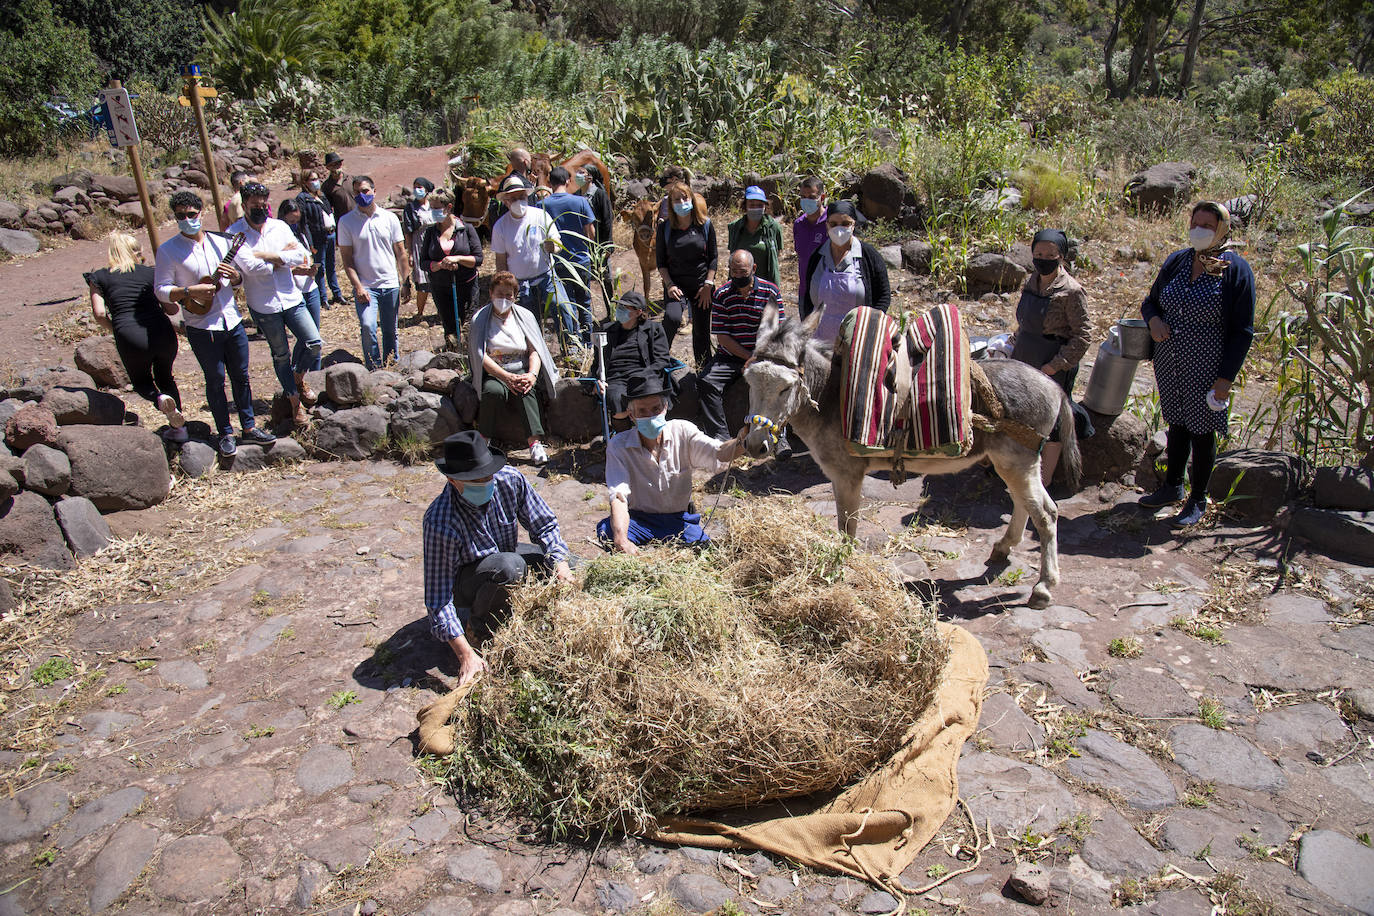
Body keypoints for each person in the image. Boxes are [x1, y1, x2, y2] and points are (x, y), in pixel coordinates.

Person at [422, 430, 574, 685]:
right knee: (509, 566)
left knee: (576, 564)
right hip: (469, 579)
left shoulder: (510, 480)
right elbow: (438, 600)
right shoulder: (440, 521)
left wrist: (560, 564)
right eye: (475, 481)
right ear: (452, 480)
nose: (485, 483)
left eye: (487, 476)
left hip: (505, 555)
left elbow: (544, 525)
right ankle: (477, 629)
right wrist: (464, 655)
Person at [1139, 201, 1255, 527]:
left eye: (1208, 225)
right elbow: (1150, 302)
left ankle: (1197, 498)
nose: (1199, 230)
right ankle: (1172, 486)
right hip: (1169, 359)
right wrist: (1154, 321)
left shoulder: (1234, 269)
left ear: (1222, 229)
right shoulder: (1178, 261)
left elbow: (1242, 330)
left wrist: (1225, 379)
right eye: (1196, 222)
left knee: (1202, 432)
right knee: (1177, 424)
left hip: (1207, 366)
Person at [154, 190, 275, 457]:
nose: (187, 219)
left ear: (201, 213)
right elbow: (161, 289)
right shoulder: (169, 250)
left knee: (241, 376)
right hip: (201, 324)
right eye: (181, 216)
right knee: (215, 379)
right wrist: (189, 291)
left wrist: (235, 278)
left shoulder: (221, 242)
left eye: (191, 214)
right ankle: (225, 432)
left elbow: (241, 278)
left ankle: (249, 426)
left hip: (231, 319)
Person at [598, 370, 747, 552]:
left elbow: (718, 452)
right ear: (631, 415)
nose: (651, 416)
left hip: (678, 520)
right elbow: (618, 496)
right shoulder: (618, 446)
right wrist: (621, 540)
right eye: (642, 411)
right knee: (608, 532)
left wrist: (743, 441)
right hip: (640, 520)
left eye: (655, 409)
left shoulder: (683, 431)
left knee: (704, 552)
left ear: (666, 407)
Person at [229, 183, 322, 427]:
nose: (261, 209)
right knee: (281, 354)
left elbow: (302, 256)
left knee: (313, 342)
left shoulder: (279, 226)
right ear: (245, 204)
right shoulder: (235, 233)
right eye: (255, 206)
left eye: (264, 205)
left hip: (291, 297)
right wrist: (281, 257)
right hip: (264, 304)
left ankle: (297, 378)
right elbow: (250, 268)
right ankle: (295, 404)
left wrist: (265, 255)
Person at [1009, 228, 1091, 487]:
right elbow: (1025, 322)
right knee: (1022, 415)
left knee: (1052, 421)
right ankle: (1019, 471)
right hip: (1025, 358)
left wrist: (1055, 366)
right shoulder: (1032, 281)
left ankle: (1042, 482)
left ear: (1061, 257)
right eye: (1038, 253)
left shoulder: (1072, 291)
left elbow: (1083, 336)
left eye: (1050, 254)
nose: (1043, 258)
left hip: (1052, 362)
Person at [86, 231, 187, 442]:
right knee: (165, 376)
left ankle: (158, 399)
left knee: (141, 381)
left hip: (129, 333)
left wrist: (115, 329)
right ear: (135, 252)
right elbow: (170, 308)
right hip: (161, 332)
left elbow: (100, 313)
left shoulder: (99, 277)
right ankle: (179, 429)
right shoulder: (151, 273)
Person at [697, 250, 790, 455]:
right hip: (730, 356)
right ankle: (720, 440)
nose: (739, 276)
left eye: (743, 271)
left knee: (779, 385)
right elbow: (723, 337)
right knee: (706, 382)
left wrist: (760, 358)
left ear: (753, 269)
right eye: (734, 271)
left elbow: (778, 332)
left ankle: (780, 438)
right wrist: (748, 358)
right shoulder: (721, 294)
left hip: (765, 355)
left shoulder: (770, 292)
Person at [467, 271, 558, 466]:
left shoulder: (525, 316)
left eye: (509, 295)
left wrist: (532, 375)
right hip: (496, 371)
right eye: (499, 294)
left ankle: (534, 444)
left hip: (521, 367)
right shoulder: (480, 319)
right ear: (491, 293)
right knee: (492, 391)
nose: (504, 298)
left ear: (515, 296)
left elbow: (535, 350)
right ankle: (484, 440)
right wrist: (506, 377)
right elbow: (480, 355)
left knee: (526, 389)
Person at [489, 173, 578, 356]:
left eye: (521, 197)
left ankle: (571, 348)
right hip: (520, 282)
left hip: (546, 276)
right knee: (529, 319)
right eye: (513, 198)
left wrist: (553, 246)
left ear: (527, 197)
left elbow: (557, 243)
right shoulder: (501, 226)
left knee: (561, 307)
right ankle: (536, 354)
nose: (518, 201)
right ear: (506, 201)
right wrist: (505, 285)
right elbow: (501, 259)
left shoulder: (540, 215)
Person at [337, 175, 407, 370]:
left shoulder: (389, 218)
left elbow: (401, 252)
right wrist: (357, 286)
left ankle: (392, 364)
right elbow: (347, 259)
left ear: (374, 192)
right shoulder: (346, 222)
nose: (362, 195)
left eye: (365, 191)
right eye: (357, 192)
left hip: (389, 283)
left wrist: (405, 280)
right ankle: (373, 367)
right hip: (366, 286)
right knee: (368, 326)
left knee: (390, 330)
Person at [801, 200, 891, 343]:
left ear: (853, 224)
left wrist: (870, 325)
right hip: (819, 341)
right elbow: (807, 298)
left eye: (845, 224)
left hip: (857, 339)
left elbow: (884, 296)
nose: (839, 229)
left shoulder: (868, 255)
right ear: (826, 225)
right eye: (833, 224)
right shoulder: (817, 257)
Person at [655, 181, 717, 364]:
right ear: (671, 204)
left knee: (701, 333)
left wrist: (708, 285)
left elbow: (713, 258)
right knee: (672, 318)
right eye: (677, 199)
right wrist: (669, 285)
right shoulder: (665, 228)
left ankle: (702, 371)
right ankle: (659, 361)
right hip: (676, 285)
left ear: (691, 199)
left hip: (701, 286)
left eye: (685, 197)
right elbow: (661, 263)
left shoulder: (705, 225)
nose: (682, 202)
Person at [587, 291, 672, 420]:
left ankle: (645, 431)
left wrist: (644, 375)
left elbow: (662, 360)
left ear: (638, 312)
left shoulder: (653, 329)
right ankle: (626, 436)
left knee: (648, 396)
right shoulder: (607, 331)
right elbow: (597, 363)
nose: (619, 310)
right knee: (615, 399)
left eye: (624, 308)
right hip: (616, 379)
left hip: (644, 376)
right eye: (619, 306)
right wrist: (594, 383)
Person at [539, 166, 596, 348]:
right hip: (581, 260)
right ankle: (588, 342)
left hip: (557, 262)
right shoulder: (580, 202)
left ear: (549, 183)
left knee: (567, 304)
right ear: (568, 181)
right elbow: (590, 232)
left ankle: (573, 343)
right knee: (584, 302)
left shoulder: (542, 205)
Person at [422, 189, 483, 352]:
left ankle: (472, 357)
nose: (433, 212)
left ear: (448, 207)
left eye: (436, 208)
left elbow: (478, 259)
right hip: (441, 287)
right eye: (431, 208)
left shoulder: (466, 229)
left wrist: (457, 259)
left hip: (466, 285)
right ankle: (453, 357)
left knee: (469, 325)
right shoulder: (430, 232)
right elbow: (423, 262)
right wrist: (437, 265)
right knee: (449, 326)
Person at [277, 198, 325, 373]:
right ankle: (296, 373)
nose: (294, 225)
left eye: (297, 221)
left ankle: (316, 375)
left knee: (315, 337)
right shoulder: (277, 239)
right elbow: (276, 267)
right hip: (293, 293)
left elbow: (307, 256)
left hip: (310, 288)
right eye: (291, 222)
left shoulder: (303, 233)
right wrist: (297, 270)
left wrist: (310, 268)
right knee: (305, 338)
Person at [295, 168, 335, 310]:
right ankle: (323, 298)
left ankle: (336, 294)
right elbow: (304, 222)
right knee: (320, 268)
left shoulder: (321, 195)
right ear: (305, 182)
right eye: (312, 179)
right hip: (318, 237)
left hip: (330, 234)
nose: (316, 182)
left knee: (331, 266)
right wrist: (310, 243)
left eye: (317, 179)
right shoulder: (302, 198)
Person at [727, 185, 783, 287]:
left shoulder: (773, 228)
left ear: (765, 206)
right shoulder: (735, 228)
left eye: (759, 205)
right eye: (752, 205)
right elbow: (733, 256)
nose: (756, 208)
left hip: (765, 286)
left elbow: (776, 255)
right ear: (745, 206)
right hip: (740, 283)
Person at [574, 163, 615, 299]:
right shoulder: (576, 195)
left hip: (599, 244)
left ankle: (611, 310)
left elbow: (607, 220)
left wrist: (608, 246)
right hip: (582, 245)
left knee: (605, 278)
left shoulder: (600, 195)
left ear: (590, 177)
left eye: (582, 172)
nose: (578, 175)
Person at [402, 176, 436, 317]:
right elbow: (408, 233)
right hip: (419, 244)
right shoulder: (410, 208)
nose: (417, 190)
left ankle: (441, 311)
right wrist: (410, 253)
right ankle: (420, 313)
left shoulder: (434, 205)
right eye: (415, 186)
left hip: (435, 243)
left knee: (438, 280)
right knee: (423, 284)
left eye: (420, 187)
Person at [320, 152, 352, 305]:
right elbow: (327, 208)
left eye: (338, 163)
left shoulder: (351, 179)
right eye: (333, 165)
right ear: (328, 168)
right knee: (349, 257)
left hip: (360, 222)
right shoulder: (327, 187)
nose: (336, 167)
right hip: (343, 225)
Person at [793, 176, 828, 305]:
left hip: (828, 292)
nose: (807, 201)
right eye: (803, 197)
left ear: (822, 197)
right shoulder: (798, 224)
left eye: (812, 197)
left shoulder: (832, 223)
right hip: (805, 292)